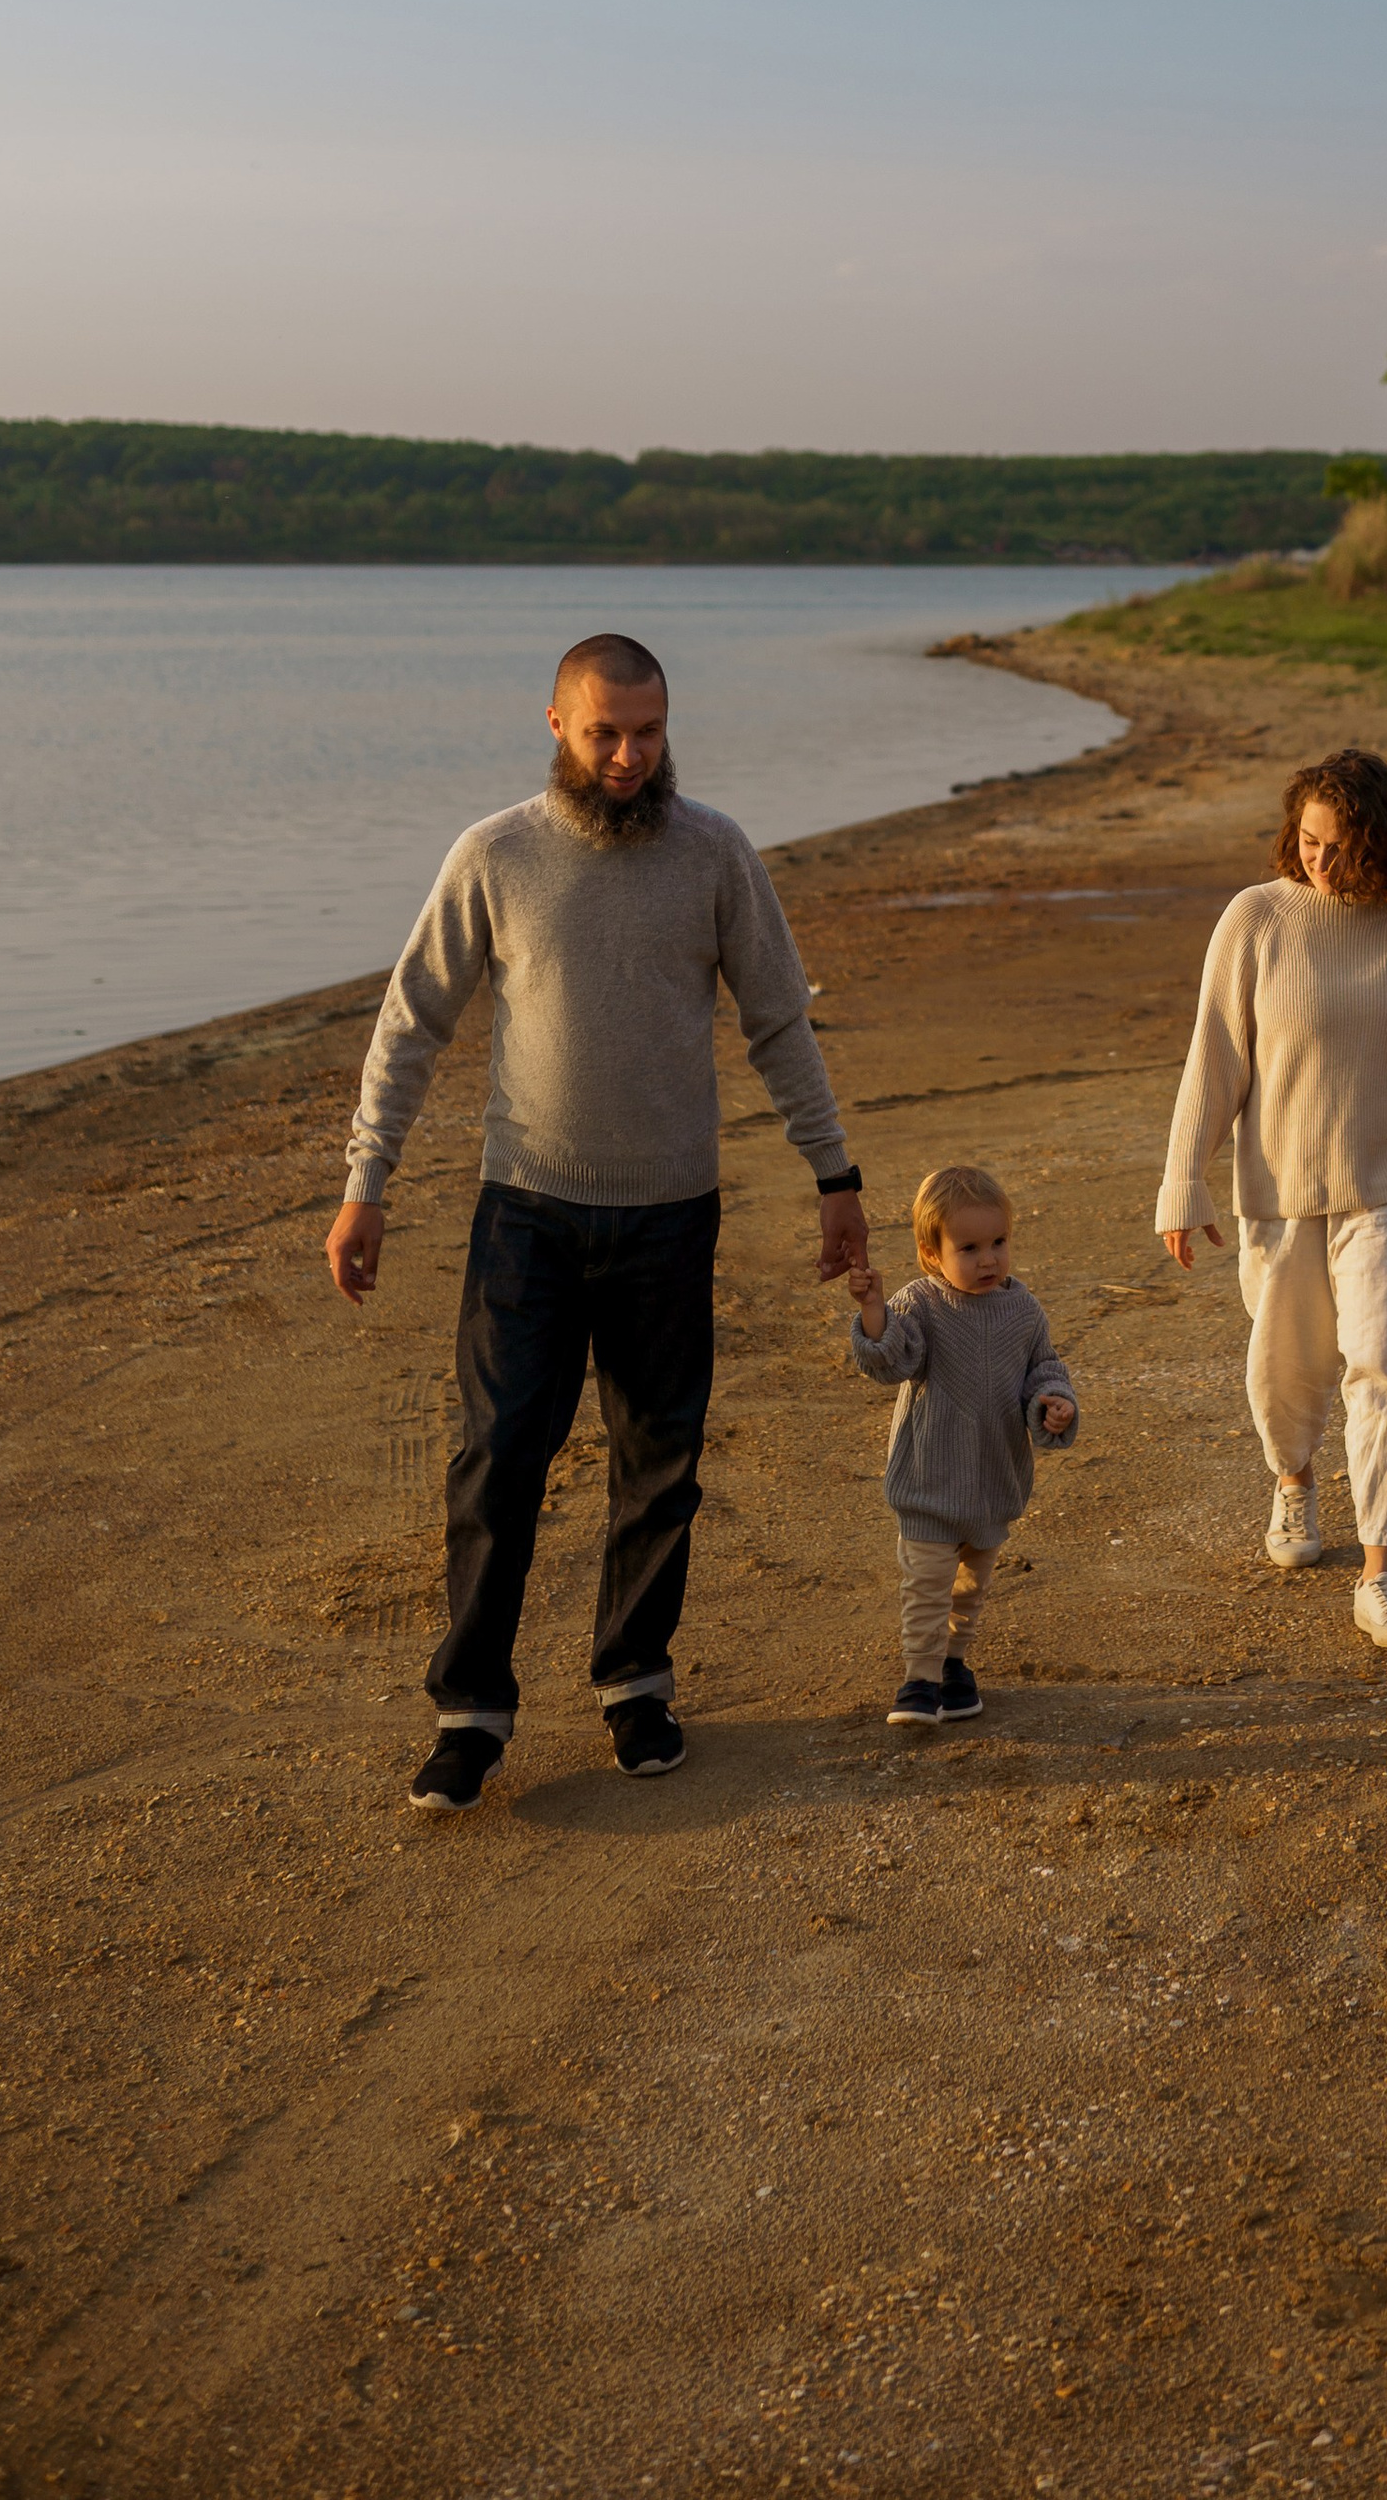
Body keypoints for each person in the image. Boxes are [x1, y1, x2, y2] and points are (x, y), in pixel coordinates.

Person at [324, 631, 868, 1811]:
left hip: (671, 1216)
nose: (630, 755)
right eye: (606, 732)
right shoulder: (494, 855)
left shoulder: (715, 854)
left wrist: (835, 1174)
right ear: (558, 724)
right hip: (527, 1212)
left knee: (658, 1464)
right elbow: (412, 1023)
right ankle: (470, 1714)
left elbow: (778, 1021)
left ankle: (635, 1684)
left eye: (651, 732)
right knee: (495, 1459)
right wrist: (368, 1184)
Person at [1154, 746, 1387, 1652]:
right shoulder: (1256, 919)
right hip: (1278, 1195)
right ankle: (1292, 1482)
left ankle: (1381, 1575)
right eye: (1308, 841)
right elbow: (1215, 1059)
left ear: (1384, 845)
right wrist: (1182, 1179)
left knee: (1384, 1367)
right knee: (1284, 1368)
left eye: (1339, 846)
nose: (1317, 861)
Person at [845, 1164, 1078, 1728]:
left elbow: (1043, 1367)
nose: (989, 1259)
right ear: (931, 1252)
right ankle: (918, 1680)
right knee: (927, 1585)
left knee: (970, 1587)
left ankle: (954, 1666)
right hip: (930, 1479)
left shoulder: (1023, 1309)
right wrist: (875, 1310)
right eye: (969, 1247)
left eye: (998, 1242)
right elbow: (890, 1358)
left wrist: (1054, 1400)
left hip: (994, 1478)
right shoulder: (920, 1303)